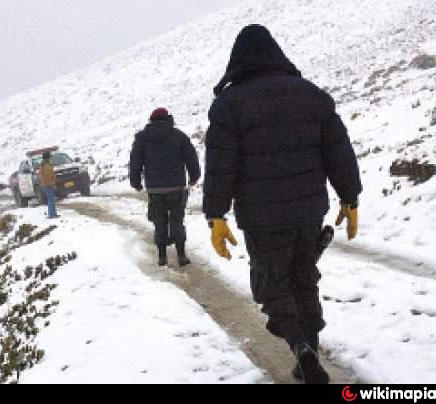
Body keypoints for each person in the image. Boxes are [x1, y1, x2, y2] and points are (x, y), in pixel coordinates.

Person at [203, 25, 362, 384]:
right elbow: (339, 152)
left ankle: (301, 349)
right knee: (305, 279)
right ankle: (310, 349)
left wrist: (216, 214)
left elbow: (221, 165)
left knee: (272, 285)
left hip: (262, 218)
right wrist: (349, 197)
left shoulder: (229, 105)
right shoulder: (312, 96)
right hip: (309, 212)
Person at [130, 108, 201, 267]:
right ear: (168, 118)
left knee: (159, 221)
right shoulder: (178, 136)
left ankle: (162, 257)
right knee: (177, 220)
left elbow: (135, 161)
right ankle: (181, 256)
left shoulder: (142, 138)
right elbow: (191, 157)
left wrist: (136, 182)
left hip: (155, 189)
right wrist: (194, 176)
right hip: (176, 187)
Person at [40, 152, 59, 219]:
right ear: (47, 158)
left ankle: (53, 213)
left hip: (47, 184)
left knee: (51, 199)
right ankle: (51, 214)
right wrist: (52, 184)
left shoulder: (44, 165)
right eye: (49, 157)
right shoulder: (46, 166)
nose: (50, 158)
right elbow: (48, 177)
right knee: (51, 200)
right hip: (48, 184)